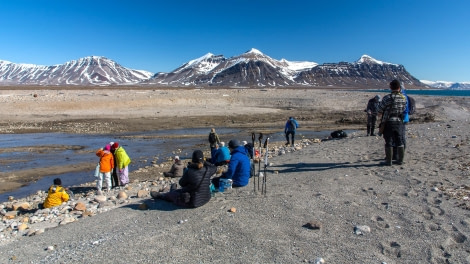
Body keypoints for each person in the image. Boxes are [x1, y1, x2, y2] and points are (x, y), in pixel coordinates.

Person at [152, 150, 216, 208]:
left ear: (193, 160)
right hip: (206, 198)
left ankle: (161, 196)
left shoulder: (190, 171)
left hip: (194, 202)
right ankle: (172, 191)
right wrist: (203, 161)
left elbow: (181, 183)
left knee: (175, 195)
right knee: (181, 191)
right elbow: (214, 167)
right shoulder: (208, 170)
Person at [377, 79, 407, 166]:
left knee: (389, 141)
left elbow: (379, 109)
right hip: (399, 121)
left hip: (388, 122)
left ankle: (388, 160)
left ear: (391, 87)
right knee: (399, 140)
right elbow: (404, 109)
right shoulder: (403, 98)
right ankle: (400, 160)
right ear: (399, 87)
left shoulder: (387, 98)